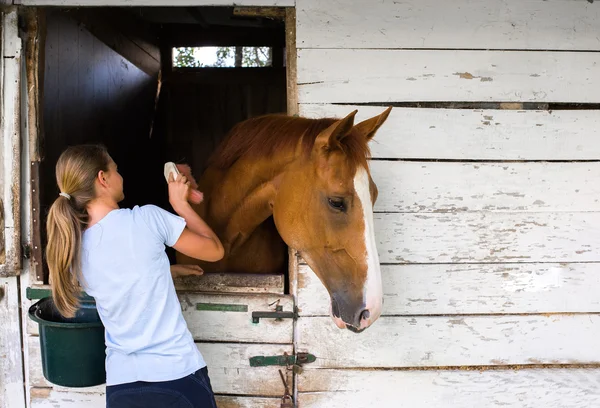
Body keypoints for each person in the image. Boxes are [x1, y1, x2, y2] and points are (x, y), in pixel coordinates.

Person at [45, 144, 224, 408]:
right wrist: (180, 204)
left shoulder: (74, 251)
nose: (121, 177)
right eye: (116, 170)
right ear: (102, 179)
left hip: (121, 387)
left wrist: (166, 270)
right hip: (176, 375)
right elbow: (215, 250)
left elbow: (122, 277)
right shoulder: (147, 219)